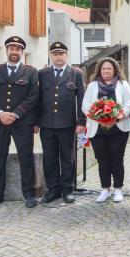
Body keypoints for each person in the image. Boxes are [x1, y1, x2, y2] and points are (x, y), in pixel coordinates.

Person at [0, 36, 39, 210]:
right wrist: (0, 113)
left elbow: (33, 97)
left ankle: (29, 194)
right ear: (6, 50)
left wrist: (15, 114)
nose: (14, 52)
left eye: (18, 49)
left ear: (22, 52)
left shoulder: (30, 72)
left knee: (26, 157)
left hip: (22, 122)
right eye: (11, 49)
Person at [36, 42, 85, 204]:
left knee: (67, 157)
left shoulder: (76, 74)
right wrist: (36, 122)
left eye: (61, 53)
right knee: (49, 158)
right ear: (51, 56)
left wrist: (81, 121)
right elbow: (37, 99)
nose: (58, 57)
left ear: (67, 55)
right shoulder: (42, 74)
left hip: (67, 124)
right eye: (55, 54)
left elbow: (82, 99)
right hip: (46, 123)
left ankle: (67, 189)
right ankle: (53, 190)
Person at [82, 57, 130, 203]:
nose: (106, 71)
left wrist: (115, 118)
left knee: (117, 159)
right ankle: (105, 189)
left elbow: (129, 104)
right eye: (103, 68)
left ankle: (118, 189)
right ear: (99, 70)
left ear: (115, 70)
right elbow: (85, 105)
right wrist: (99, 118)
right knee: (102, 160)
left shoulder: (123, 84)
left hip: (118, 127)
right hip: (97, 128)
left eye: (109, 68)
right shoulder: (92, 86)